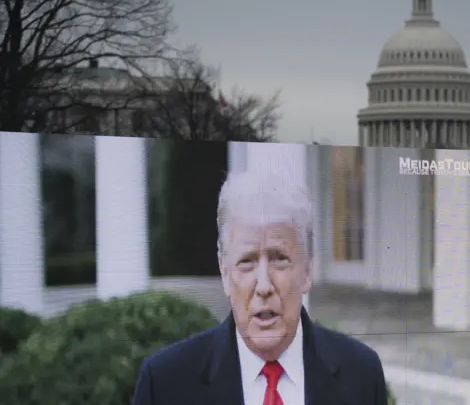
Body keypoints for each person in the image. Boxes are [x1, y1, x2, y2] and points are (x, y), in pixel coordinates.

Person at [132, 170, 389, 405]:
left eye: (279, 259)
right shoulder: (165, 384)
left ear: (307, 271)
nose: (264, 286)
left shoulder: (362, 375)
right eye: (247, 261)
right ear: (225, 272)